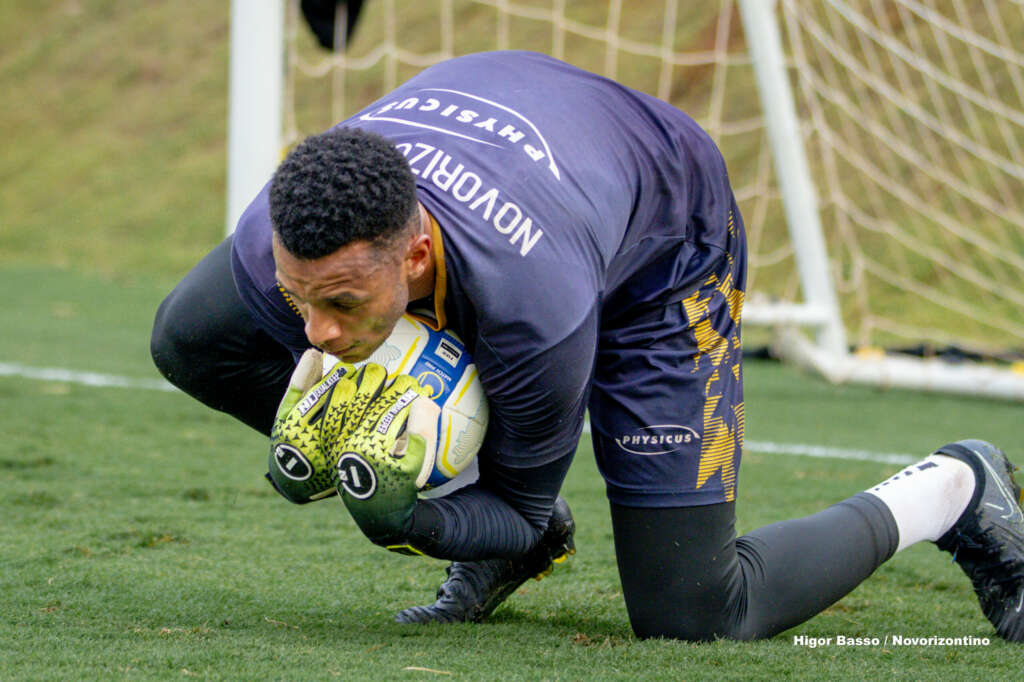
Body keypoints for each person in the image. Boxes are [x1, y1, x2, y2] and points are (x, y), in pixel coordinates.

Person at [151, 50, 1024, 641]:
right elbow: (199, 339)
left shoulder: (534, 308)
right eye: (299, 296)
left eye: (341, 303)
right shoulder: (281, 230)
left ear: (413, 255)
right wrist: (337, 396)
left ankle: (956, 489)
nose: (315, 333)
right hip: (519, 124)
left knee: (695, 613)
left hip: (665, 236)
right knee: (194, 338)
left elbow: (519, 513)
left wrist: (409, 519)